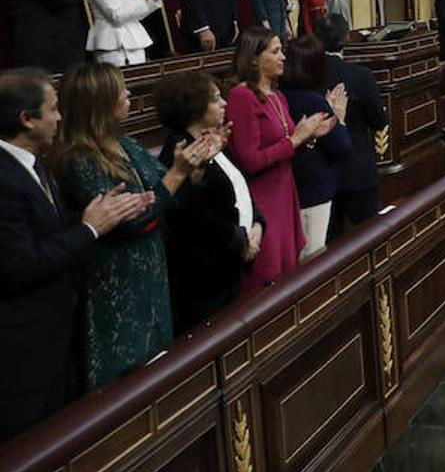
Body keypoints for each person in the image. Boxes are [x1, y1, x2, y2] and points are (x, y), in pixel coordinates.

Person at [0, 68, 156, 440]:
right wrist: (89, 228)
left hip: (56, 337)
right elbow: (20, 263)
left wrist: (92, 215)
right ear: (27, 118)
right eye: (52, 109)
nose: (60, 117)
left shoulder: (33, 162)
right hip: (24, 354)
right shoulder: (4, 179)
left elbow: (47, 225)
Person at [50, 63, 217, 390]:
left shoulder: (126, 143)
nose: (128, 94)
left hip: (150, 275)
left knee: (158, 373)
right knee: (125, 385)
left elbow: (164, 196)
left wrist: (192, 170)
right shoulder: (78, 159)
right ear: (99, 101)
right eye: (120, 89)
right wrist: (177, 175)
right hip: (116, 287)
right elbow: (131, 221)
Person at [226, 27, 334, 291]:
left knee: (290, 279)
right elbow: (250, 161)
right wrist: (296, 139)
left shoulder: (278, 95)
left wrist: (309, 137)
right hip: (263, 202)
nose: (283, 57)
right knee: (269, 282)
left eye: (282, 51)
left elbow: (285, 153)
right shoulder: (242, 97)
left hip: (285, 195)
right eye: (275, 52)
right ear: (253, 58)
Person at [155, 71, 264, 331]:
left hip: (228, 269)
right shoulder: (179, 151)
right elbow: (192, 217)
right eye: (216, 99)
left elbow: (240, 190)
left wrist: (258, 224)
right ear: (194, 107)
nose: (224, 103)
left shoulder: (212, 142)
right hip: (203, 283)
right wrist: (240, 239)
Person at [314, 15, 388, 236]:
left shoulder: (308, 76)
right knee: (370, 238)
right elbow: (379, 121)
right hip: (358, 170)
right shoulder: (361, 76)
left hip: (321, 171)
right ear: (346, 38)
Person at [282, 35, 351, 259]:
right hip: (313, 191)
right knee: (312, 259)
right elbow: (341, 146)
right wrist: (339, 117)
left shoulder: (281, 95)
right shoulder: (313, 101)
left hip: (293, 188)